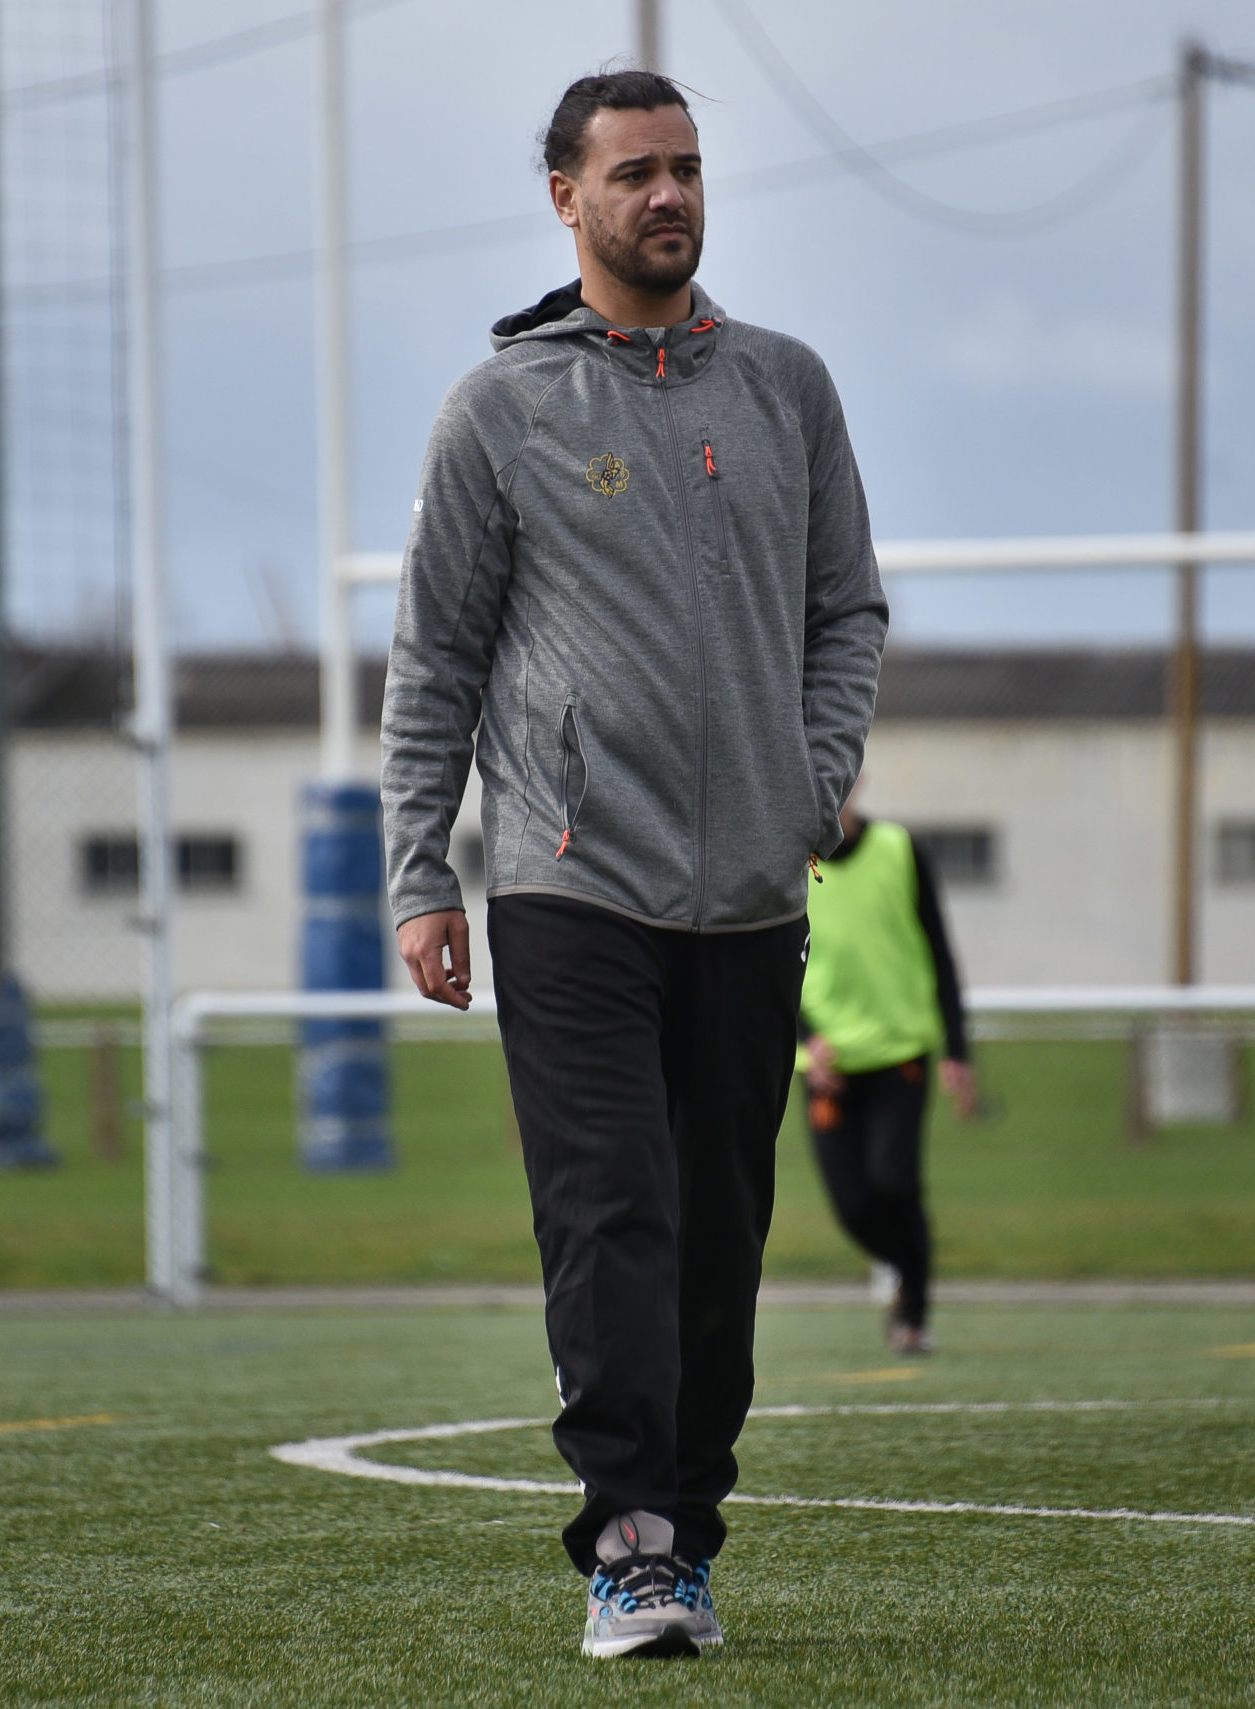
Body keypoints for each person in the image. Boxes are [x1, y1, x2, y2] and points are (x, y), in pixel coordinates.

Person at [377, 69, 887, 1660]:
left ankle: (691, 1526)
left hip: (751, 895)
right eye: (633, 173)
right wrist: (420, 872)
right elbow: (436, 659)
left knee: (719, 1239)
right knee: (612, 1214)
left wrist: (811, 786)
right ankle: (633, 1548)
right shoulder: (503, 410)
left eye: (686, 168)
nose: (668, 195)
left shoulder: (788, 388)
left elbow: (846, 613)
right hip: (568, 881)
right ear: (567, 199)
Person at [799, 791, 976, 1354]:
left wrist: (957, 1050)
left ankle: (913, 1314)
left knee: (895, 1182)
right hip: (828, 1068)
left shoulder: (900, 850)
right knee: (853, 1206)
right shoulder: (789, 857)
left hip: (899, 1054)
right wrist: (805, 1039)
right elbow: (769, 960)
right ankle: (911, 1269)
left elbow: (939, 951)